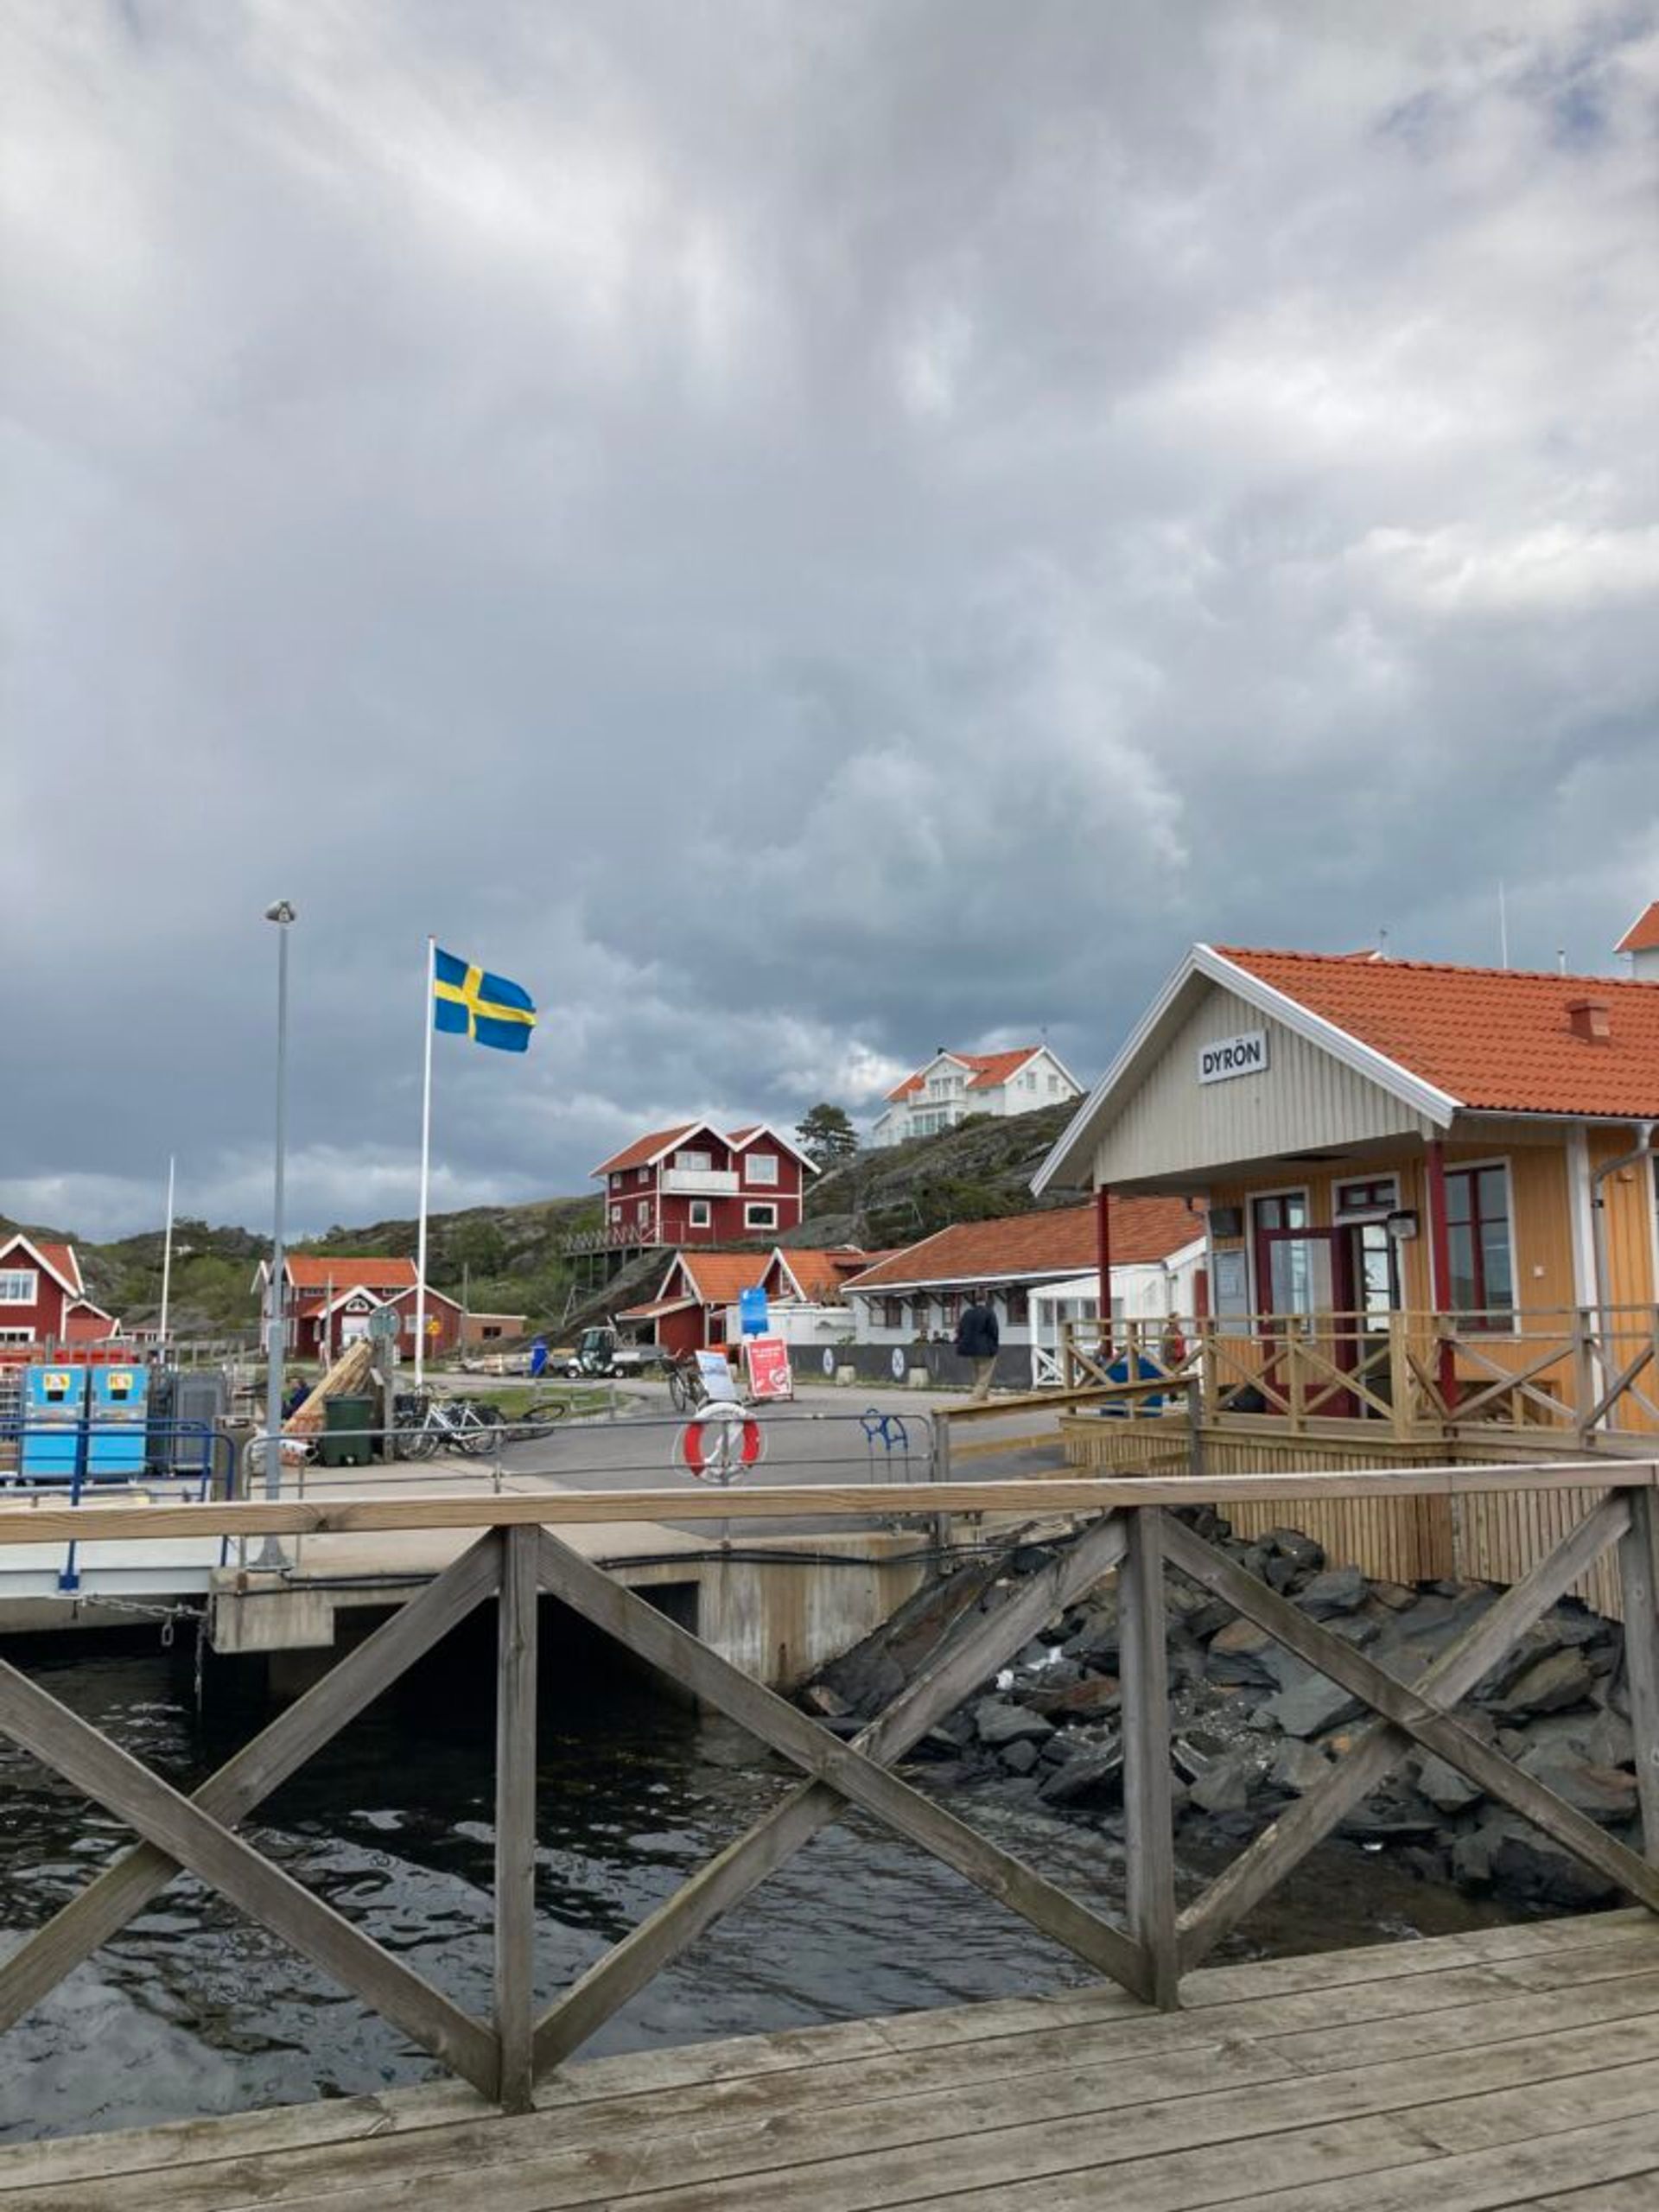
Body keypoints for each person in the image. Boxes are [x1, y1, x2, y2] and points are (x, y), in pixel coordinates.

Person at [954, 1288, 1000, 1402]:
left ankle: (983, 1403)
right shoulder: (989, 1312)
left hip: (971, 1351)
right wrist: (994, 1347)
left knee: (979, 1378)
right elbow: (994, 1332)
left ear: (975, 1298)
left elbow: (960, 1331)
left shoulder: (967, 1313)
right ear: (986, 1298)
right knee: (983, 1380)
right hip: (986, 1350)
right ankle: (971, 1405)